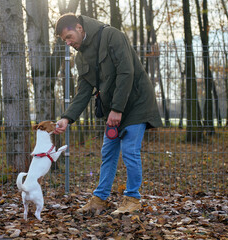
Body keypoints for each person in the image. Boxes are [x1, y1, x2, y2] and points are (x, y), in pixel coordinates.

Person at [53, 13, 163, 216]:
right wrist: (67, 118)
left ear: (78, 27)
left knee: (130, 150)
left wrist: (117, 109)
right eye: (64, 41)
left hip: (136, 102)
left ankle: (132, 199)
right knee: (108, 152)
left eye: (68, 36)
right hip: (115, 107)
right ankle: (99, 199)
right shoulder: (81, 57)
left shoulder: (112, 35)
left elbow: (126, 72)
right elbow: (84, 90)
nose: (68, 43)